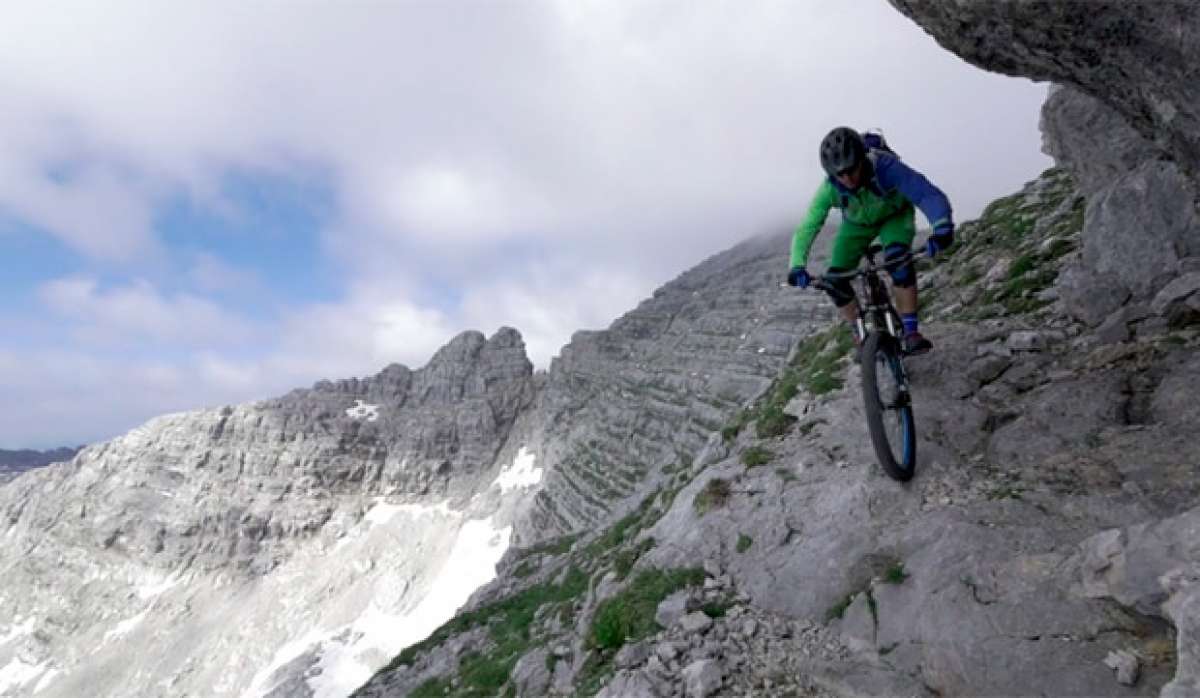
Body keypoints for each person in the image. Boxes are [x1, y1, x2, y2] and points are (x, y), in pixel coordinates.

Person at [786, 127, 954, 355]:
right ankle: (860, 333)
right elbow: (808, 225)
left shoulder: (886, 168)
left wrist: (941, 225)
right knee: (835, 281)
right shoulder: (829, 189)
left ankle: (911, 332)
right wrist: (797, 265)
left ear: (862, 159)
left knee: (899, 263)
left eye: (851, 170)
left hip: (894, 217)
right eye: (839, 174)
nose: (847, 179)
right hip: (856, 227)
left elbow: (926, 194)